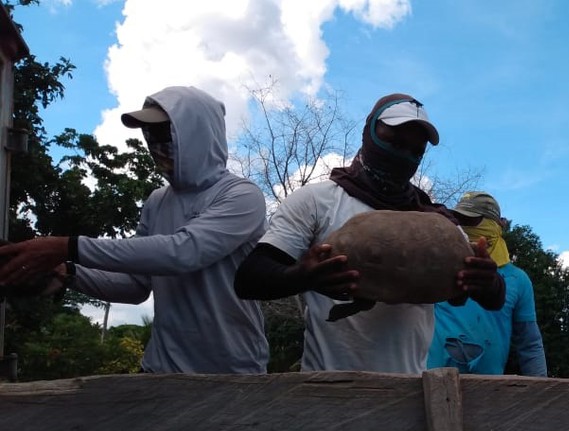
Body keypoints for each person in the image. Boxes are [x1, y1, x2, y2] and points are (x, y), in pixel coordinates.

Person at [0, 85, 269, 374]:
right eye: (148, 134)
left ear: (196, 133)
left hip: (232, 372)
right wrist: (66, 273)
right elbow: (136, 286)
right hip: (160, 369)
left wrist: (67, 246)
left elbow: (184, 252)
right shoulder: (157, 201)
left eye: (164, 132)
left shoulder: (241, 195)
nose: (154, 143)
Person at [234, 93, 505, 374]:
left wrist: (487, 282)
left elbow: (495, 299)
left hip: (411, 394)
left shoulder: (436, 224)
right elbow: (249, 279)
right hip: (325, 391)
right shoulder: (317, 202)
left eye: (415, 151)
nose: (403, 155)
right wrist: (303, 276)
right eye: (394, 141)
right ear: (369, 130)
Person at [428, 191, 547, 376]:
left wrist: (541, 394)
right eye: (459, 219)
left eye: (471, 220)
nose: (464, 226)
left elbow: (529, 344)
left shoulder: (518, 280)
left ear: (493, 225)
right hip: (431, 384)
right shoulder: (438, 267)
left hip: (489, 393)